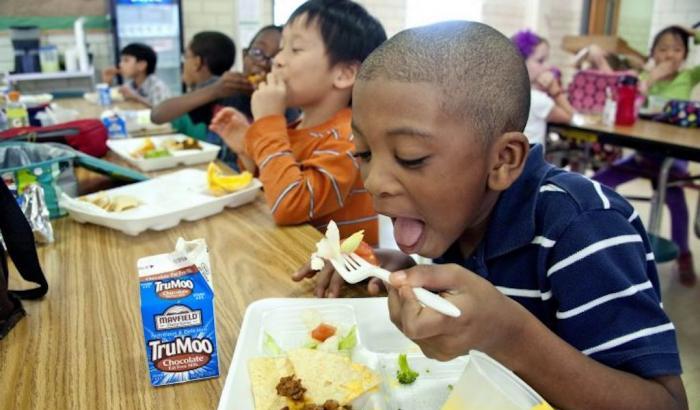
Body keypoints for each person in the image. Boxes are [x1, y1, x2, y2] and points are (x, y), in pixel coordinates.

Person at [296, 21, 688, 409]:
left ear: (502, 160)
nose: (374, 181)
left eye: (411, 157)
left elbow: (667, 404)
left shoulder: (583, 226)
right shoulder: (461, 215)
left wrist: (510, 337)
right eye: (364, 153)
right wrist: (402, 275)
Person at [210, 0, 387, 264]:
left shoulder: (348, 138)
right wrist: (248, 148)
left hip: (341, 277)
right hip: (290, 259)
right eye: (282, 48)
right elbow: (271, 190)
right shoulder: (296, 129)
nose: (278, 60)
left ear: (344, 73)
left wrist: (268, 122)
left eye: (295, 49)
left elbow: (289, 204)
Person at [594, 25, 700, 286]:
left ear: (685, 55)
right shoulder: (644, 78)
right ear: (653, 54)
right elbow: (629, 106)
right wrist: (650, 79)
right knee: (598, 182)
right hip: (642, 158)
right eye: (663, 49)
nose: (669, 55)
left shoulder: (688, 76)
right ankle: (596, 238)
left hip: (671, 161)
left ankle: (684, 255)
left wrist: (692, 34)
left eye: (677, 50)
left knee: (677, 203)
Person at [150, 31, 238, 140]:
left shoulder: (211, 92)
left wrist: (215, 90)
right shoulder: (227, 88)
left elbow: (157, 115)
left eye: (185, 57)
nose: (183, 64)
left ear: (197, 62)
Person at [511, 30, 575, 148]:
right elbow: (569, 116)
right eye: (540, 61)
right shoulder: (536, 99)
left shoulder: (511, 93)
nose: (548, 66)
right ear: (520, 63)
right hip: (531, 158)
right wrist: (554, 88)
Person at [101, 43, 170, 107]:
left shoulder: (157, 87)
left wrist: (136, 98)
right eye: (121, 61)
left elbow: (162, 111)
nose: (120, 65)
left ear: (141, 65)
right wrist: (107, 83)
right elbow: (115, 102)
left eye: (126, 60)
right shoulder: (130, 84)